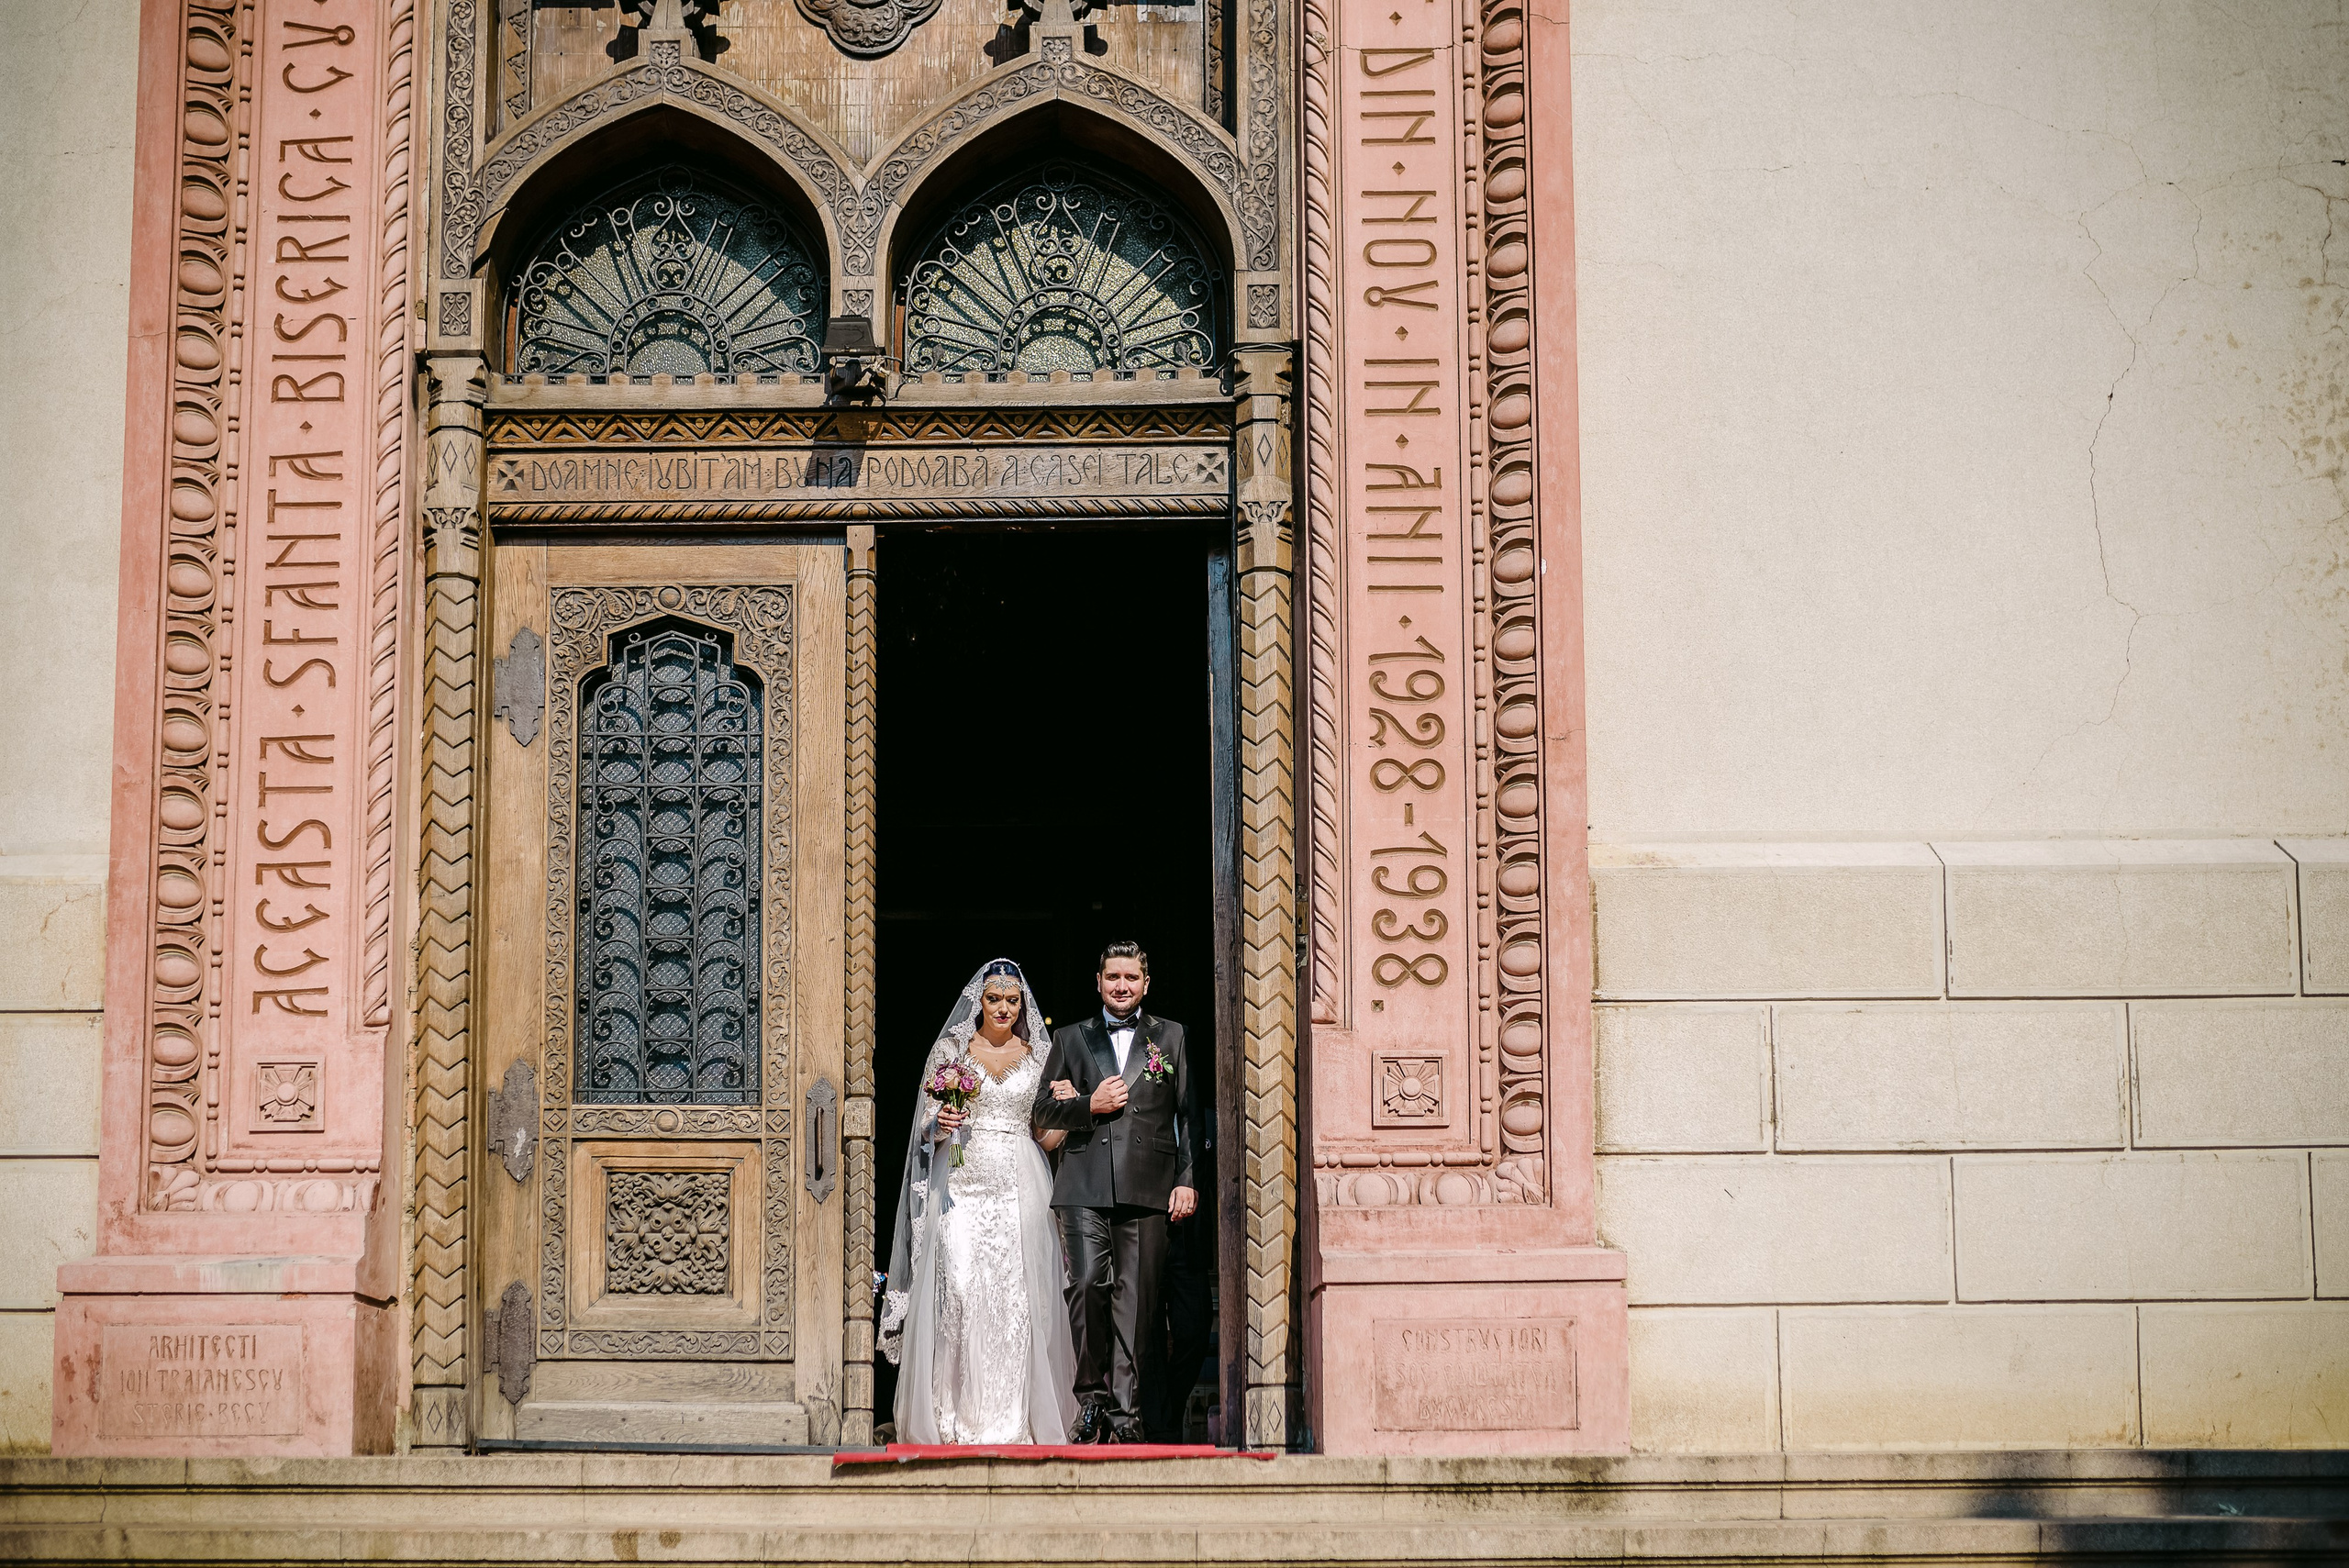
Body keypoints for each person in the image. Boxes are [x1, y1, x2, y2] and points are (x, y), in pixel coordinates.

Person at [879, 959, 1079, 1444]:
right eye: (995, 999)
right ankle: (954, 1416)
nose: (1004, 1008)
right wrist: (938, 1127)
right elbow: (927, 1125)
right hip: (961, 1185)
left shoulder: (1038, 1058)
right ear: (979, 1002)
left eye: (1012, 1000)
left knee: (1015, 1297)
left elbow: (1046, 1138)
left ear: (1021, 1004)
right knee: (962, 1293)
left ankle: (1012, 1420)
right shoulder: (952, 1052)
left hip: (1022, 1183)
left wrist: (1069, 1109)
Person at [1031, 940, 1197, 1443]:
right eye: (1112, 978)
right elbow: (1040, 1114)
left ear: (1145, 983)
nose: (1121, 986)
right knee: (1085, 1285)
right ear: (1098, 983)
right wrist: (1088, 1104)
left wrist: (1186, 1180)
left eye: (1130, 978)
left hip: (1149, 1185)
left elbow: (1186, 1115)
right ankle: (1091, 1402)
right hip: (1083, 1183)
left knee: (1137, 1304)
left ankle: (1126, 1417)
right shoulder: (1070, 1038)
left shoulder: (1170, 1037)